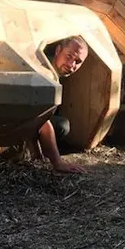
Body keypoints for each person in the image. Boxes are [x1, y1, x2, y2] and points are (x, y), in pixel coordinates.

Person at [38, 36, 89, 174]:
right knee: (62, 125)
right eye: (69, 56)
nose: (71, 64)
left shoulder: (54, 72)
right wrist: (58, 162)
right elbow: (41, 121)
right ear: (58, 50)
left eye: (78, 61)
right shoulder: (44, 73)